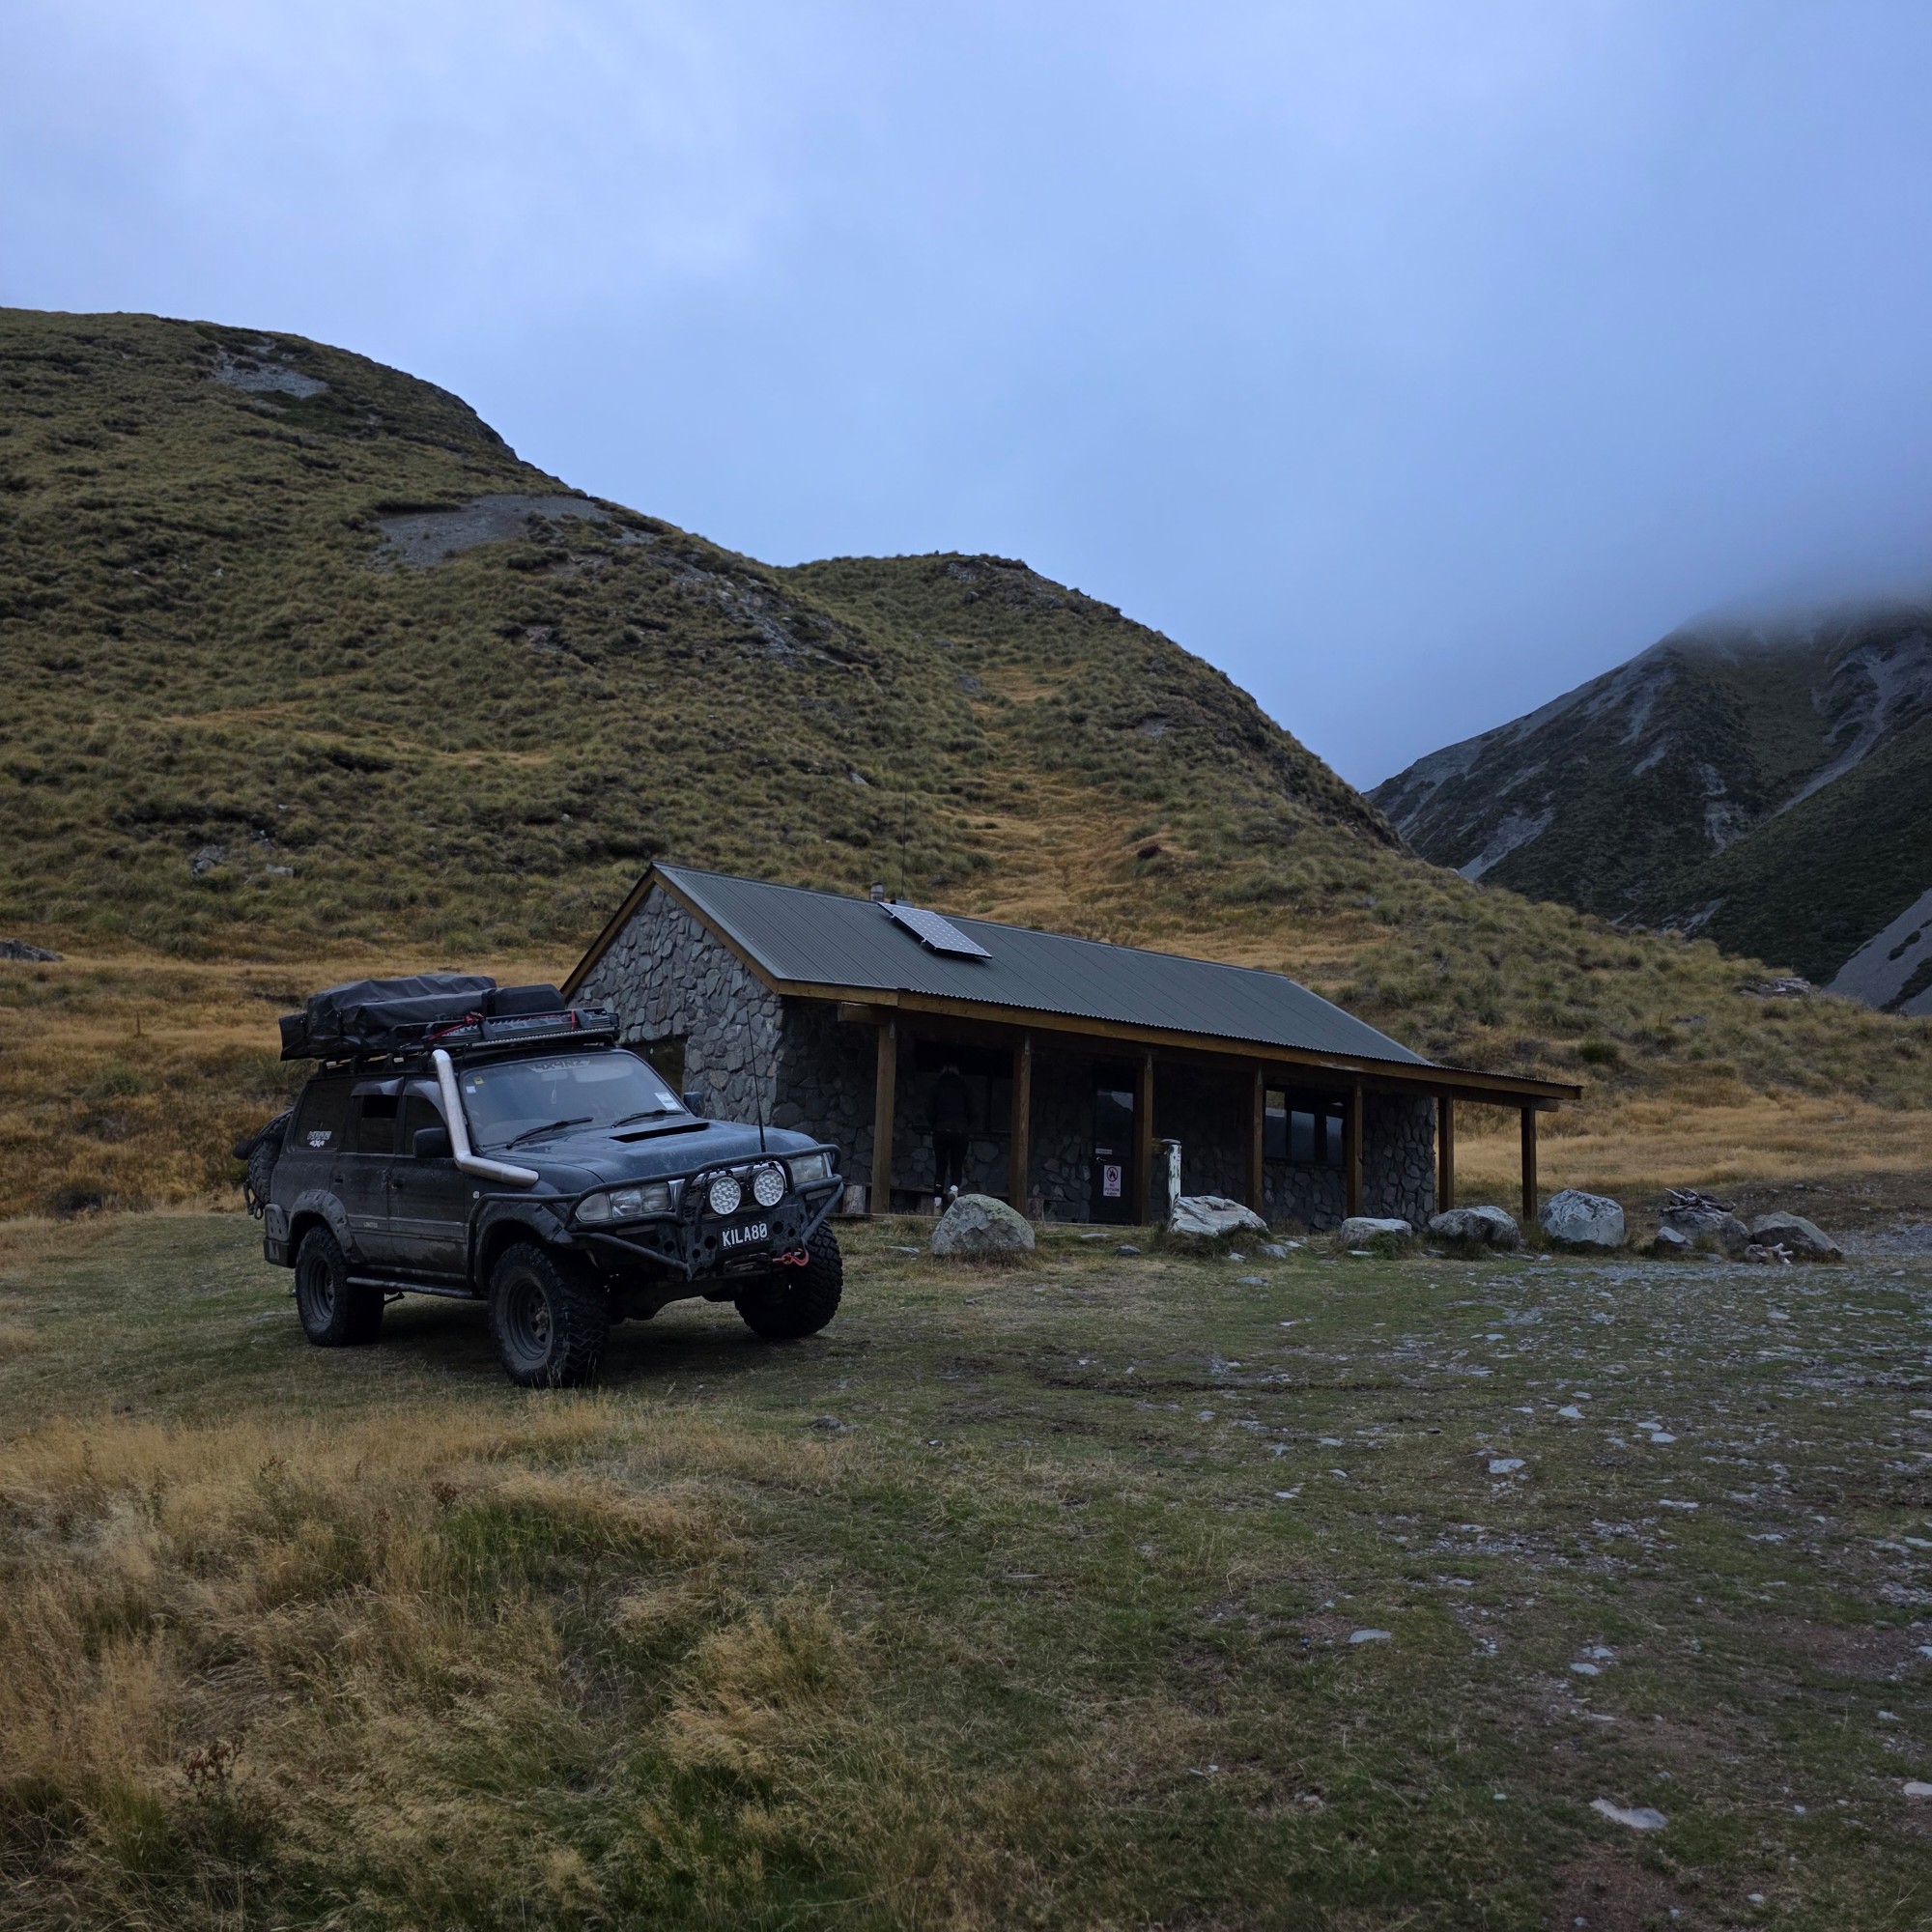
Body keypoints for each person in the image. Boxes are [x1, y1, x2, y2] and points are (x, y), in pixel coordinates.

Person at [930, 1060, 970, 1203]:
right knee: (956, 1164)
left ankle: (937, 1199)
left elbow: (929, 1110)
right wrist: (966, 1125)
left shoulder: (936, 1087)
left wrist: (935, 1124)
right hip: (960, 1130)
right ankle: (954, 1189)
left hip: (941, 1129)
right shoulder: (964, 1087)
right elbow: (973, 1111)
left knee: (940, 1165)